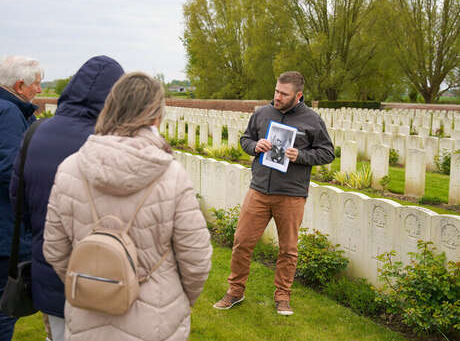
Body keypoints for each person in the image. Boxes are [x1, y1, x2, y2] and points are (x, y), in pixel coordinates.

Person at [43, 72, 212, 341]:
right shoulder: (172, 175)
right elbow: (196, 259)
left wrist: (94, 283)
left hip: (88, 314)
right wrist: (176, 298)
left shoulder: (69, 169)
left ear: (110, 108)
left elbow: (54, 249)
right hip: (156, 320)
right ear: (156, 117)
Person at [9, 56, 124, 341]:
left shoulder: (35, 131)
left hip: (46, 264)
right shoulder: (108, 142)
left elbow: (17, 199)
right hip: (99, 273)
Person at [213, 71, 334, 316]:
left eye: (283, 94)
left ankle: (282, 296)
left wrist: (301, 156)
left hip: (291, 195)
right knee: (241, 243)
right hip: (258, 191)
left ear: (298, 95)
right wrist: (254, 146)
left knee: (288, 249)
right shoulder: (262, 113)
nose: (277, 97)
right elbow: (245, 139)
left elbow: (327, 152)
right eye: (276, 91)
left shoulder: (312, 120)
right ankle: (235, 291)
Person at [0, 55, 43, 341]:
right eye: (36, 84)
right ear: (20, 85)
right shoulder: (9, 114)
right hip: (6, 230)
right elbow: (11, 168)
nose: (39, 90)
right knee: (6, 307)